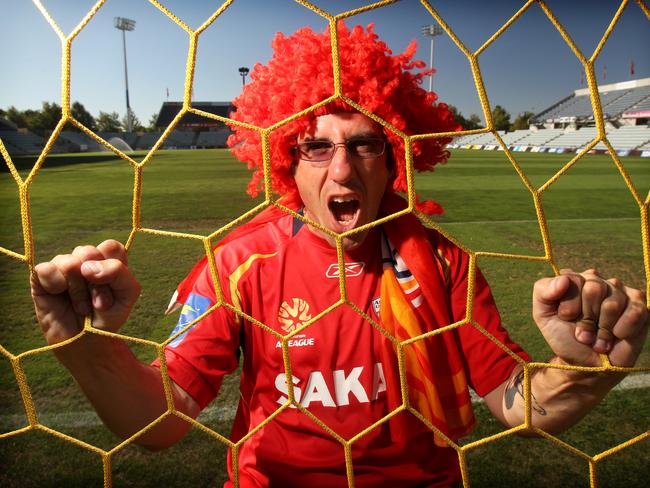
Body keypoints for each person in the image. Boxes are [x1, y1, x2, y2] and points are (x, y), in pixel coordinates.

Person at [30, 24, 647, 487]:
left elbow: (515, 400)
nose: (343, 168)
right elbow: (161, 425)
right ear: (285, 162)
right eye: (316, 147)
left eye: (364, 144)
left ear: (397, 157)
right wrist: (89, 350)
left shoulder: (445, 263)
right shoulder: (239, 263)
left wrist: (587, 368)